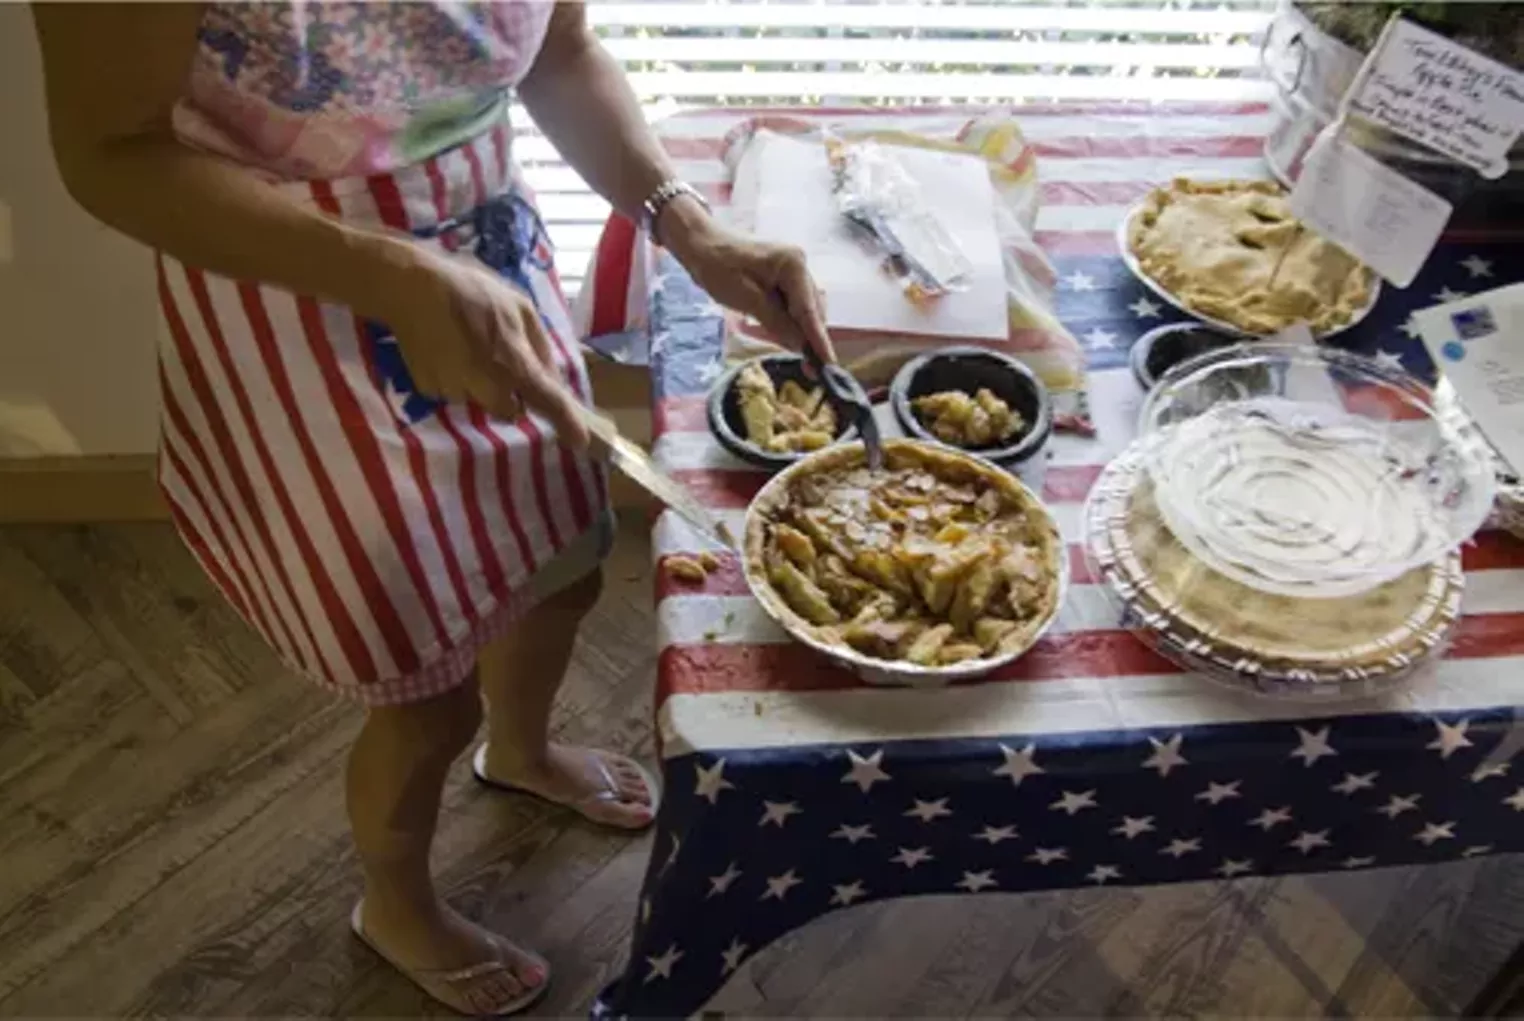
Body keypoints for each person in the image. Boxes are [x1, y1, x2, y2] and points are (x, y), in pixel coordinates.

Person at [30, 2, 833, 1014]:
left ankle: (522, 750)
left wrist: (690, 226)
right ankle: (395, 902)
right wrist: (390, 273)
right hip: (294, 302)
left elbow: (562, 52)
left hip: (487, 254)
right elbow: (111, 153)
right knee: (421, 693)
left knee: (563, 567)